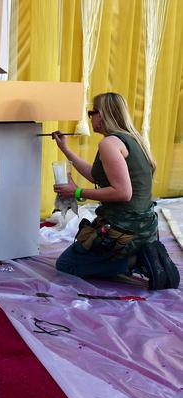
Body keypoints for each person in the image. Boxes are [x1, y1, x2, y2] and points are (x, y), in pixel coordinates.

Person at [51, 92, 158, 278]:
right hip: (143, 226)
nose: (90, 117)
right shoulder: (131, 138)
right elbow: (96, 175)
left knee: (66, 265)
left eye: (92, 112)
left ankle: (133, 260)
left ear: (102, 115)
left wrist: (76, 192)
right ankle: (135, 254)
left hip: (126, 229)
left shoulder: (109, 143)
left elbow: (123, 193)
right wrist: (65, 149)